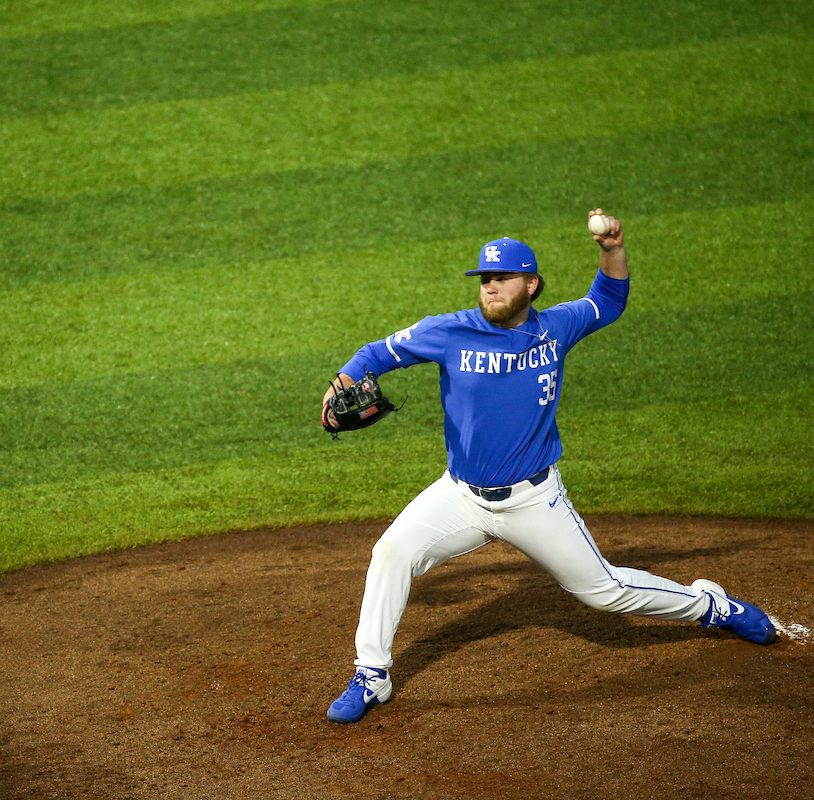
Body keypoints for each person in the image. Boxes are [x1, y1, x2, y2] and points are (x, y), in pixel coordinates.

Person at [320, 210, 777, 726]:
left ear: (531, 284)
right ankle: (371, 674)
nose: (490, 288)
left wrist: (612, 249)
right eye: (484, 280)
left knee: (604, 592)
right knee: (391, 553)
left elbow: (608, 300)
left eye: (502, 279)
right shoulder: (445, 333)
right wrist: (343, 380)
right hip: (460, 497)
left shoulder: (556, 327)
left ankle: (710, 605)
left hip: (535, 500)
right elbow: (375, 354)